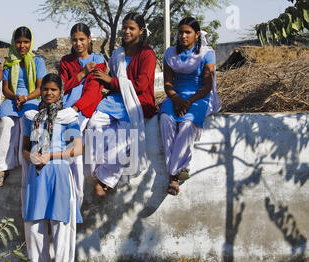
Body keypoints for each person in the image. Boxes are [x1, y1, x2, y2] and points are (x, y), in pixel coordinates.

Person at [22, 73, 83, 262]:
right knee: (35, 226)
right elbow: (24, 148)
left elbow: (77, 148)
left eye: (53, 90)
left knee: (61, 227)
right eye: (45, 89)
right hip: (37, 175)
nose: (48, 93)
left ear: (61, 92)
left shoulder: (67, 118)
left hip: (58, 173)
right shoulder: (32, 117)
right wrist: (31, 157)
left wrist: (51, 155)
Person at [87, 12, 156, 198]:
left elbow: (141, 86)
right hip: (116, 100)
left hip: (137, 102)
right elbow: (110, 78)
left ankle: (105, 179)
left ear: (141, 31)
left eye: (131, 28)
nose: (126, 31)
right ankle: (98, 171)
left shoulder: (147, 54)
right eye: (124, 27)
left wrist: (111, 81)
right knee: (93, 126)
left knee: (124, 135)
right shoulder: (118, 53)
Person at [159, 17, 221, 196]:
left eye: (188, 32)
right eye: (180, 32)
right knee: (165, 120)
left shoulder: (207, 53)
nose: (183, 36)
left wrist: (188, 101)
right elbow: (168, 84)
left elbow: (207, 86)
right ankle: (181, 168)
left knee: (187, 125)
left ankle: (173, 174)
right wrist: (176, 99)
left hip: (199, 97)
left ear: (197, 34)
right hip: (175, 96)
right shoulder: (170, 53)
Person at [59, 22, 107, 206]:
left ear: (89, 40)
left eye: (81, 39)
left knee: (72, 149)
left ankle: (76, 200)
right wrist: (81, 73)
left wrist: (76, 109)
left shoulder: (98, 60)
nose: (78, 43)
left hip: (84, 109)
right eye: (74, 40)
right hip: (66, 107)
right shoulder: (66, 61)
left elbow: (94, 91)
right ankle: (67, 199)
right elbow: (62, 88)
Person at [0, 26, 46, 187]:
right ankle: (1, 168)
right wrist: (15, 96)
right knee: (6, 123)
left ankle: (26, 162)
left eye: (26, 42)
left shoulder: (38, 61)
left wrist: (26, 97)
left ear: (31, 42)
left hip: (32, 99)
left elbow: (40, 89)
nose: (22, 46)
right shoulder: (9, 62)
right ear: (14, 43)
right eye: (19, 42)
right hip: (13, 99)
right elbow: (6, 88)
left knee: (26, 123)